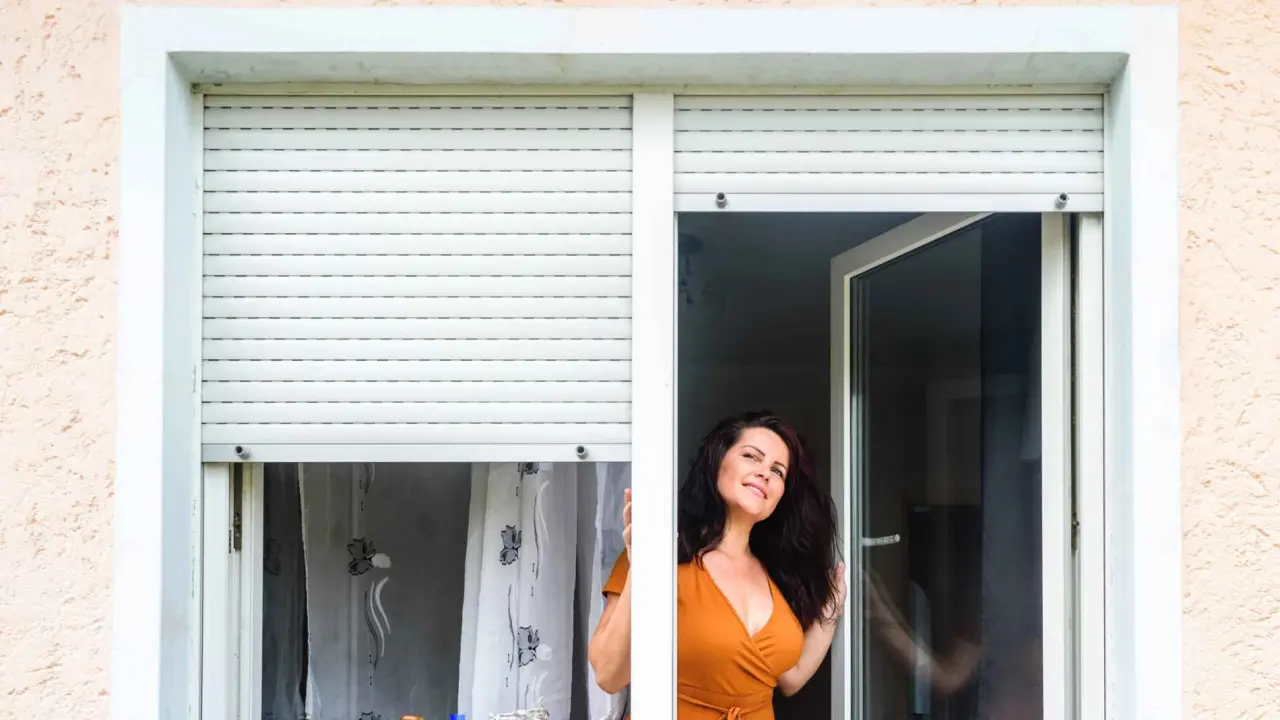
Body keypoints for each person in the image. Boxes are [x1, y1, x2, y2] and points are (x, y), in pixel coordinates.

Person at [588, 411, 845, 719]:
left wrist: (830, 613)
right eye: (751, 456)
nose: (765, 473)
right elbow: (608, 675)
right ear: (717, 461)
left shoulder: (777, 573)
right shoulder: (660, 554)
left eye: (777, 471)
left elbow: (791, 677)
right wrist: (641, 571)